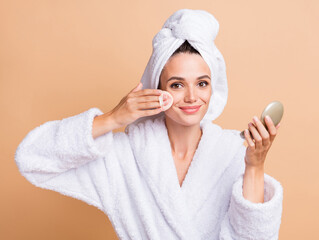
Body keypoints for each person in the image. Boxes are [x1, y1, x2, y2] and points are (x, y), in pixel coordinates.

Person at [15, 9, 283, 240]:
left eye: (202, 83)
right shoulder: (125, 156)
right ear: (157, 90)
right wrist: (112, 118)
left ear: (214, 88)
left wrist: (255, 166)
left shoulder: (232, 152)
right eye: (177, 84)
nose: (192, 97)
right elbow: (32, 158)